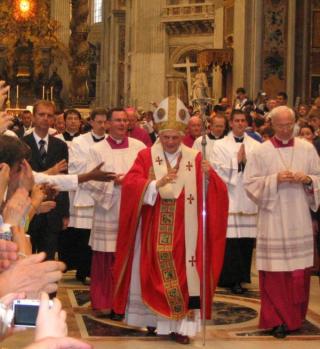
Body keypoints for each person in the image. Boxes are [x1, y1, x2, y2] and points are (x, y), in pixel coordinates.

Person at [112, 96, 228, 344]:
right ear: (159, 135)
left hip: (187, 232)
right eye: (166, 138)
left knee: (186, 277)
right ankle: (155, 322)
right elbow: (131, 185)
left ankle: (181, 327)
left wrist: (209, 178)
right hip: (154, 227)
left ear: (183, 135)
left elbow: (216, 193)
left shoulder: (195, 157)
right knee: (151, 275)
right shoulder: (146, 156)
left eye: (176, 138)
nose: (171, 142)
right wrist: (154, 184)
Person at [243, 106, 320, 338]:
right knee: (276, 273)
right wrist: (274, 179)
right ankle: (276, 320)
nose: (285, 129)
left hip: (298, 217)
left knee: (298, 272)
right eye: (280, 125)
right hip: (273, 218)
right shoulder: (261, 151)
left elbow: (318, 176)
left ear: (295, 123)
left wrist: (307, 179)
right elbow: (250, 184)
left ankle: (295, 318)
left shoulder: (307, 149)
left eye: (289, 125)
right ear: (272, 125)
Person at [84, 108, 145, 312]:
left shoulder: (140, 148)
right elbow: (89, 180)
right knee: (106, 258)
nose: (121, 124)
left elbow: (148, 176)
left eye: (124, 120)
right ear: (107, 124)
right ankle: (105, 302)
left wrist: (132, 183)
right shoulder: (97, 149)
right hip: (107, 210)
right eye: (117, 120)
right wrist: (114, 184)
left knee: (130, 256)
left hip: (133, 210)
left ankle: (128, 302)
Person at [211, 110, 260, 294]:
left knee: (246, 241)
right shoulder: (219, 145)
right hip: (230, 197)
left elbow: (259, 170)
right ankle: (228, 278)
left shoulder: (255, 145)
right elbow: (216, 169)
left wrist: (246, 163)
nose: (240, 124)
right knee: (230, 240)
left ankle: (242, 277)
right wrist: (236, 162)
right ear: (230, 123)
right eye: (237, 121)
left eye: (243, 120)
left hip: (248, 197)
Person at [23, 100, 70, 260]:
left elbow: (64, 181)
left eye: (49, 115)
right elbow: (21, 179)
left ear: (53, 120)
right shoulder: (22, 144)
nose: (45, 118)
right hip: (29, 210)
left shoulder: (60, 146)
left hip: (53, 211)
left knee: (48, 261)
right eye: (41, 114)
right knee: (25, 259)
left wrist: (65, 213)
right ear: (33, 117)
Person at [67, 108, 108, 284]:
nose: (102, 125)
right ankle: (83, 271)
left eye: (105, 122)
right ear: (90, 122)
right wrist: (96, 166)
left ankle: (97, 272)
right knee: (84, 237)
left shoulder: (110, 142)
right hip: (84, 194)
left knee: (100, 236)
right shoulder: (78, 141)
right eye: (99, 122)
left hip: (104, 194)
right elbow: (74, 167)